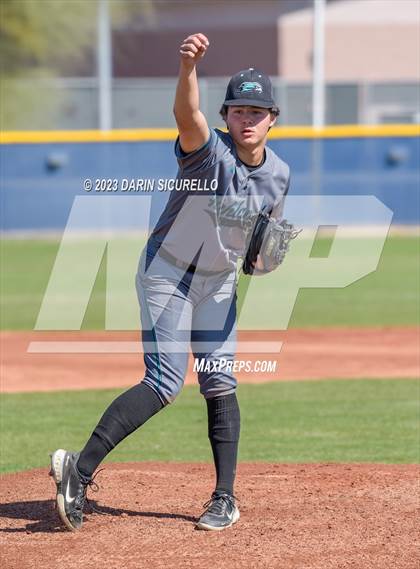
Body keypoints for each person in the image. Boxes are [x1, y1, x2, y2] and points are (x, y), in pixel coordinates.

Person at [50, 32, 290, 533]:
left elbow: (261, 238)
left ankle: (225, 497)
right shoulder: (207, 154)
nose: (247, 119)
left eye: (256, 111)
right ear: (226, 117)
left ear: (272, 119)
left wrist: (260, 258)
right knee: (163, 382)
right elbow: (188, 116)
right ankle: (79, 469)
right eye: (238, 111)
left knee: (221, 383)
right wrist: (187, 69)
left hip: (219, 283)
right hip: (170, 274)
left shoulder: (280, 174)